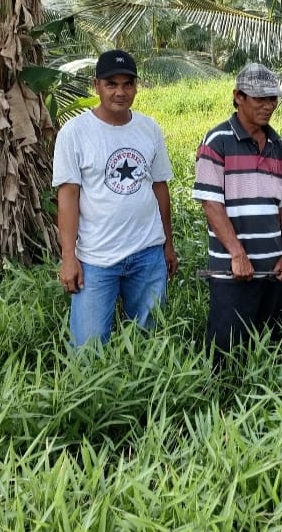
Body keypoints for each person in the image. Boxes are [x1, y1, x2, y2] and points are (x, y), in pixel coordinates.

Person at [52, 49, 178, 347]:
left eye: (127, 84)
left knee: (149, 341)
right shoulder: (75, 132)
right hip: (96, 259)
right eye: (111, 84)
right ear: (96, 86)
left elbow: (160, 188)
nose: (120, 92)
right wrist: (69, 257)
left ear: (136, 86)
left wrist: (168, 245)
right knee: (88, 348)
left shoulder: (149, 128)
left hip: (148, 253)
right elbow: (68, 196)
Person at [193, 63, 282, 367]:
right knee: (226, 351)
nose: (268, 106)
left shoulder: (277, 145)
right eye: (259, 99)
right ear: (238, 97)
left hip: (275, 270)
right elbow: (211, 203)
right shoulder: (218, 141)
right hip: (233, 272)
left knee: (271, 345)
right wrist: (237, 254)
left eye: (273, 99)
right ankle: (222, 405)